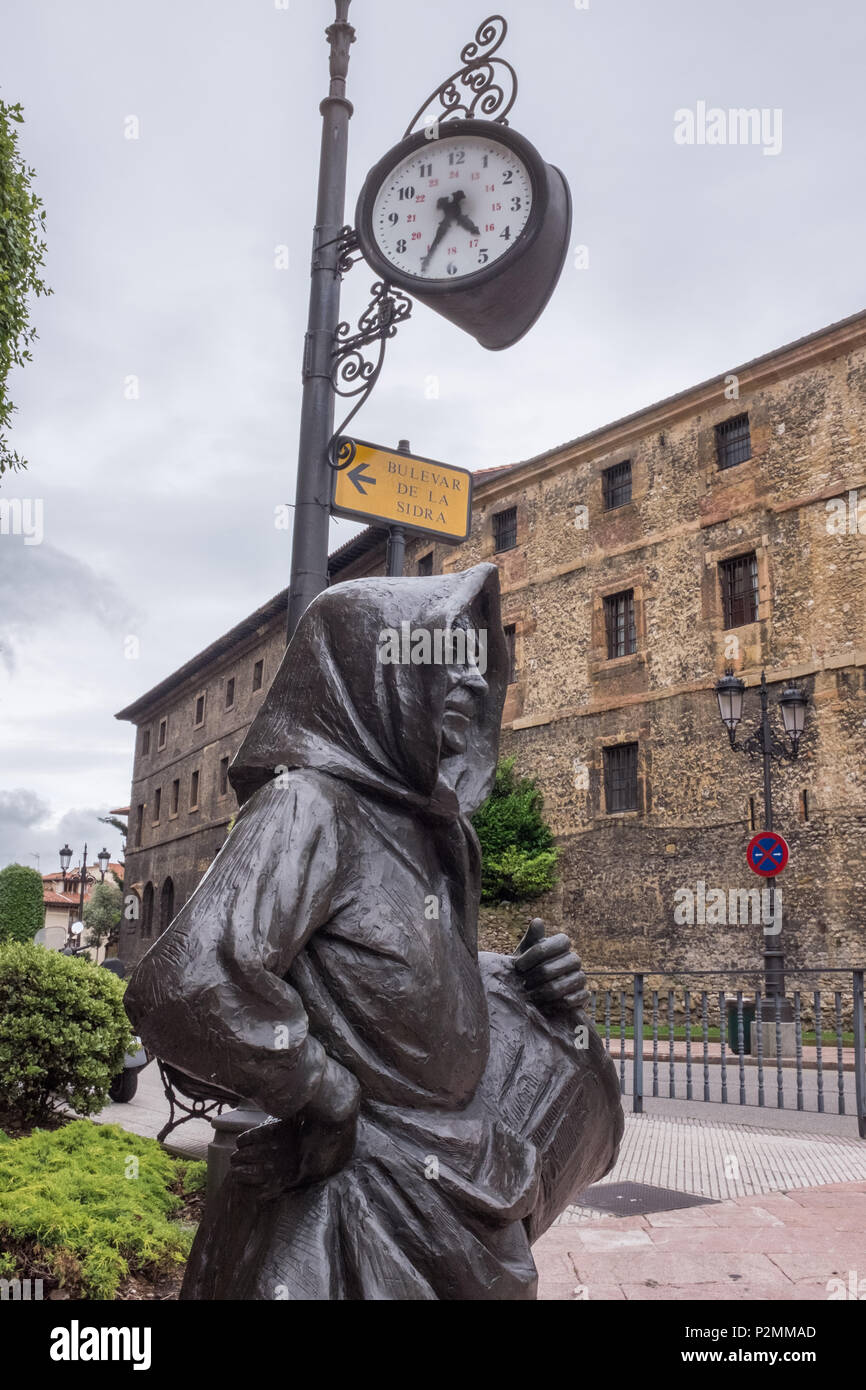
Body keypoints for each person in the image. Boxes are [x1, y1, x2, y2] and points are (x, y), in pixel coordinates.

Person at [126, 563, 623, 1300]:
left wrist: (508, 980)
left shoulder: (434, 834)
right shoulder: (308, 806)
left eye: (477, 664)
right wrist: (323, 1093)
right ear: (370, 672)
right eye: (446, 658)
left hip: (453, 1180)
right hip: (352, 1202)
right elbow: (187, 985)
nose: (477, 684)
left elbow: (391, 967)